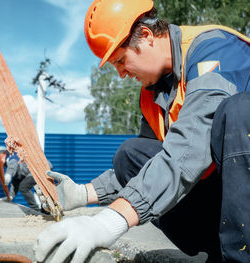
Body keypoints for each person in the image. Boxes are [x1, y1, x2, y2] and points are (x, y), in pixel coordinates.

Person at [34, 0, 250, 262]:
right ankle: (219, 252)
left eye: (121, 60)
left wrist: (110, 222)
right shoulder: (154, 95)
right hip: (226, 203)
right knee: (130, 155)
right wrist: (83, 194)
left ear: (146, 36)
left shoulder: (215, 49)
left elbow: (191, 145)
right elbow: (159, 166)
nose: (122, 74)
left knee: (240, 111)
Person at [0, 146, 53, 211]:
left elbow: (13, 165)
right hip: (39, 169)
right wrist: (10, 196)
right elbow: (16, 180)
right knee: (38, 189)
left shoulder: (10, 158)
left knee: (23, 187)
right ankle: (45, 210)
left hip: (40, 168)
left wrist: (8, 174)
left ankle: (36, 209)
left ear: (3, 155)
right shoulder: (10, 160)